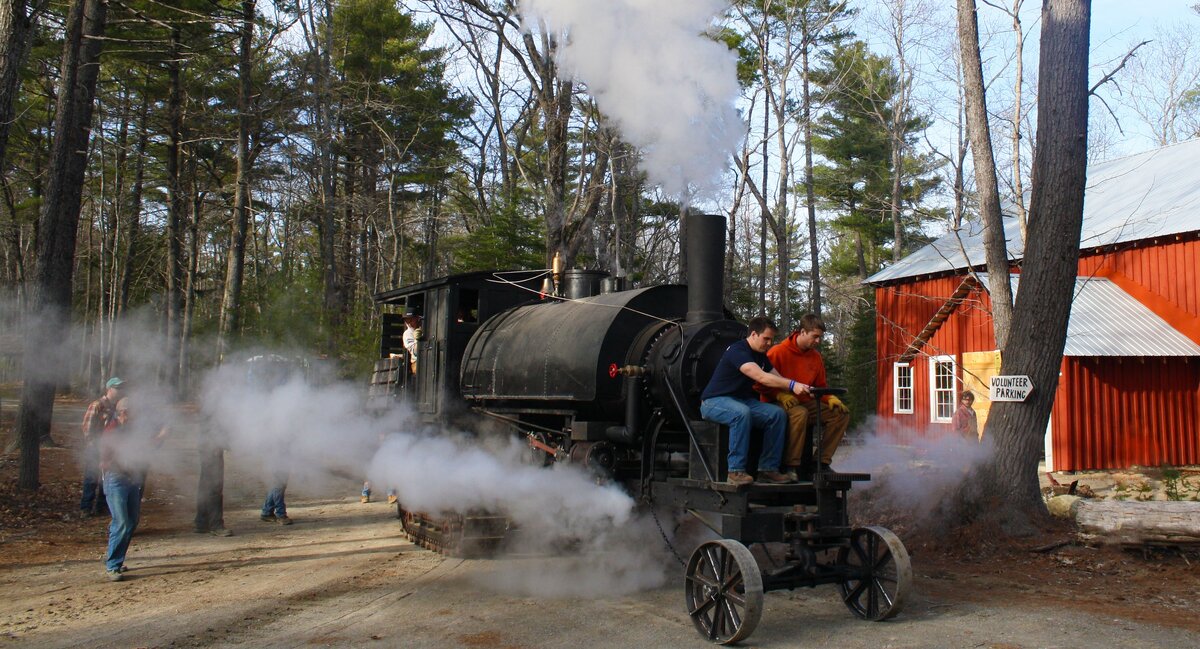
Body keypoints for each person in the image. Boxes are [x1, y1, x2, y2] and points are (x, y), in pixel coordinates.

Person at [700, 316, 812, 486]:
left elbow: (776, 377)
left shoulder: (760, 356)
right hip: (714, 402)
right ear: (753, 334)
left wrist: (801, 390)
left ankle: (768, 469)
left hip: (741, 400)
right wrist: (791, 384)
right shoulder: (738, 351)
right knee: (740, 414)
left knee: (777, 414)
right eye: (766, 338)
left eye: (771, 340)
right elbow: (761, 377)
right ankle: (735, 471)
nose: (769, 343)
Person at [761, 314, 850, 480]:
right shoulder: (778, 352)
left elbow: (820, 387)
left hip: (805, 402)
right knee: (800, 413)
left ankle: (820, 464)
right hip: (775, 403)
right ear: (802, 332)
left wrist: (830, 398)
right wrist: (780, 395)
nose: (818, 341)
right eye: (814, 336)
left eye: (820, 337)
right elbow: (760, 383)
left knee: (840, 414)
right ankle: (791, 466)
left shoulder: (815, 357)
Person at [97, 380, 145, 581]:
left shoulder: (132, 429)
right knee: (122, 521)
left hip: (132, 479)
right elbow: (105, 455)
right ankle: (112, 565)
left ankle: (116, 557)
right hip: (116, 479)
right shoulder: (112, 429)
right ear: (124, 412)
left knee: (132, 521)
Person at [80, 378, 123, 517]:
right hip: (95, 446)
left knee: (107, 477)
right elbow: (87, 426)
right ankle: (86, 508)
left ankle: (101, 506)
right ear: (109, 389)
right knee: (92, 477)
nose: (120, 391)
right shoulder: (97, 405)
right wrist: (92, 443)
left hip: (109, 447)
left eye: (121, 388)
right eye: (117, 388)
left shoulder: (117, 407)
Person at [194, 425, 233, 537]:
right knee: (215, 486)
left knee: (205, 485)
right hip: (212, 446)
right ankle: (216, 525)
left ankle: (201, 522)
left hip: (208, 444)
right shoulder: (216, 408)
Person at [401, 308, 422, 373]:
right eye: (407, 321)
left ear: (417, 318)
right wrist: (417, 339)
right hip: (417, 363)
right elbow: (415, 352)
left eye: (411, 320)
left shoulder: (427, 326)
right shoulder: (407, 334)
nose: (409, 323)